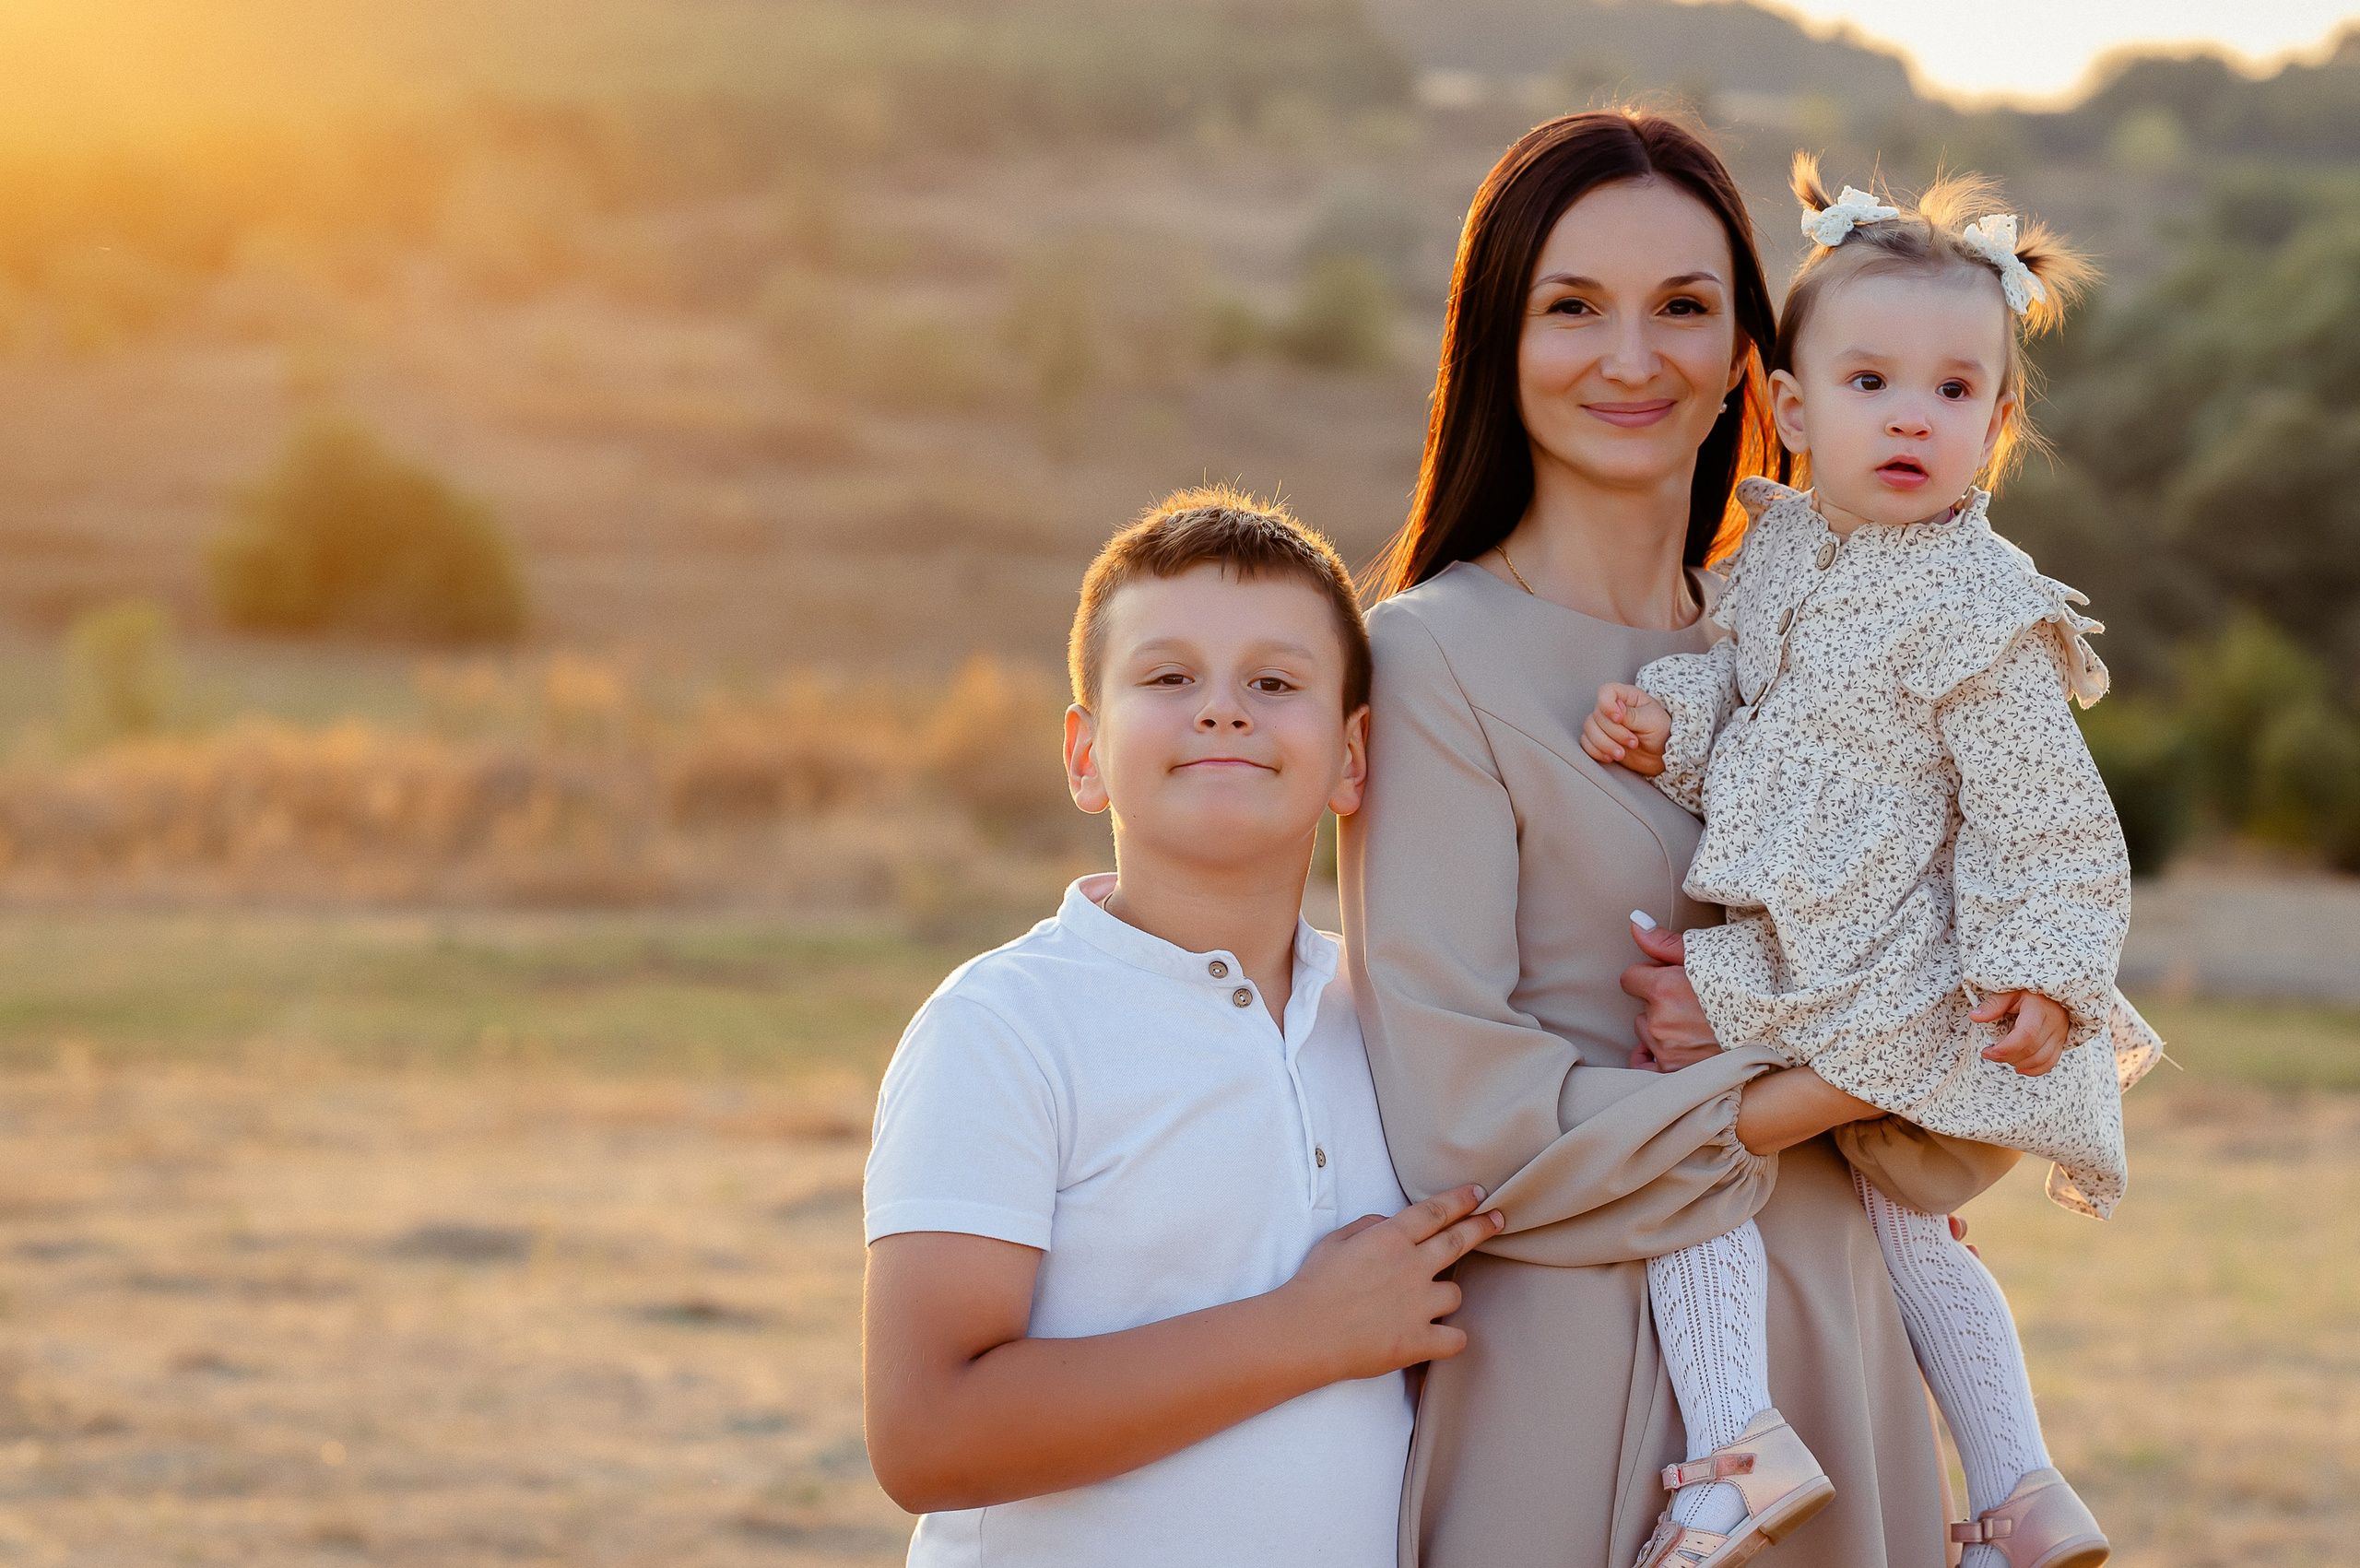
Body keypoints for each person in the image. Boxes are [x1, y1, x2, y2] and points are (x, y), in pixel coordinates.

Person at [1343, 109, 2022, 1568]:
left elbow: (1985, 1051)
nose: (1631, 357)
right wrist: (1816, 1085)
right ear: (1495, 341)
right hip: (1580, 1364)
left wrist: (1902, 1056)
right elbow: (1467, 1118)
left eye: (1684, 309)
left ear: (1748, 367)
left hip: (1842, 1344)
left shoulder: (1833, 646)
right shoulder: (1428, 658)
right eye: (1573, 307)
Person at [1580, 160, 2158, 1568]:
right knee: (1912, 1231)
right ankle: (2021, 1488)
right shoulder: (1774, 563)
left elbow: (2052, 821)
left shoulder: (1980, 605)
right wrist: (1675, 724)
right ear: (1790, 409)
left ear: (1998, 426)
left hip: (1897, 979)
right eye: (1871, 382)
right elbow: (1762, 727)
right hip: (1811, 958)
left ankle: (1736, 1443)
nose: (1912, 413)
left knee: (1688, 1142)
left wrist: (2048, 975)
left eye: (1955, 392)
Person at [861, 488, 1500, 1568]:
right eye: (1167, 678)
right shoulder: (1004, 1026)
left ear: (1352, 756)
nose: (1222, 710)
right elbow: (927, 1436)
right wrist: (1307, 1334)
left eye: (1274, 682)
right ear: (1083, 752)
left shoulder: (1390, 1018)